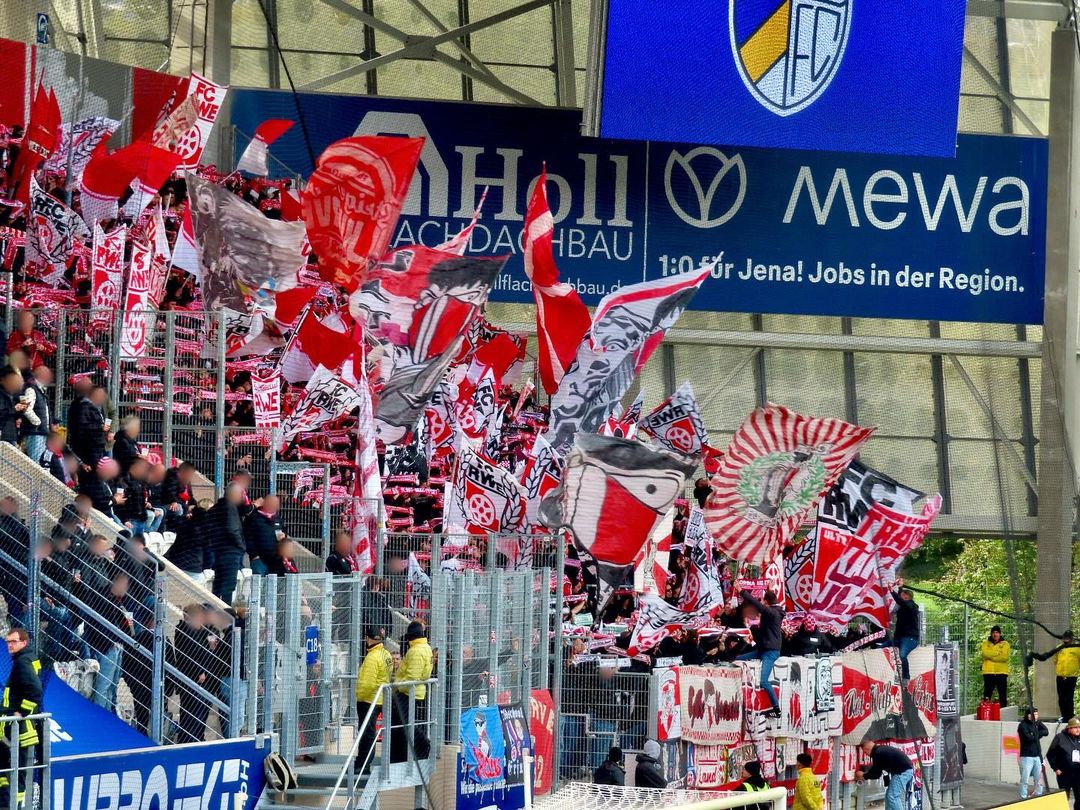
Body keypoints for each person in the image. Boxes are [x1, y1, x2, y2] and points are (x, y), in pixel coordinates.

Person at [0, 628, 42, 806]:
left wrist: (20, 713)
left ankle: (10, 805)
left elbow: (35, 690)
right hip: (20, 731)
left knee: (16, 776)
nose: (10, 645)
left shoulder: (22, 662)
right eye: (8, 642)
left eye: (14, 642)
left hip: (19, 732)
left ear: (24, 643)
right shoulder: (29, 658)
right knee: (9, 770)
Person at [736, 589, 783, 717]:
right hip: (763, 650)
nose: (761, 602)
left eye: (763, 600)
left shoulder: (772, 612)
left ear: (766, 602)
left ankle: (777, 709)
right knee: (738, 660)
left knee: (763, 681)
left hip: (770, 652)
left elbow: (756, 604)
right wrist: (769, 588)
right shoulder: (774, 612)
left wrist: (741, 591)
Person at [391, 621, 433, 762]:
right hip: (414, 692)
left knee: (405, 724)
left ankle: (423, 745)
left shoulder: (416, 651)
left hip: (408, 693)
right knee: (402, 724)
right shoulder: (425, 648)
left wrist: (397, 685)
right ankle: (399, 756)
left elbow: (412, 678)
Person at [354, 627, 393, 774]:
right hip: (379, 698)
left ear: (367, 638)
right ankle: (362, 763)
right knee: (369, 732)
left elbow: (367, 684)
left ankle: (362, 765)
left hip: (369, 699)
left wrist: (359, 695)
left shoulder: (372, 657)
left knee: (366, 733)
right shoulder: (386, 654)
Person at [207, 483, 246, 604]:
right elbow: (232, 529)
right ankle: (225, 611)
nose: (241, 497)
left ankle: (214, 609)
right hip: (230, 551)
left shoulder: (216, 507)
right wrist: (241, 546)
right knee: (228, 586)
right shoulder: (230, 507)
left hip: (218, 551)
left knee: (218, 585)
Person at [1028, 631, 1080, 721]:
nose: (1066, 639)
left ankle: (1070, 716)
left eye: (1068, 637)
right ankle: (1064, 716)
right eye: (1065, 637)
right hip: (1060, 676)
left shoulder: (1077, 648)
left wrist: (1073, 669)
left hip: (1072, 676)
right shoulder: (1059, 648)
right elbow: (1055, 660)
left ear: (1072, 638)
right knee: (1061, 697)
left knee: (1069, 697)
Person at [855, 739, 915, 810]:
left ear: (866, 749)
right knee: (889, 796)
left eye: (865, 752)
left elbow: (876, 774)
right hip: (902, 770)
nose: (866, 754)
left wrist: (863, 775)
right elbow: (876, 770)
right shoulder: (880, 750)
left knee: (892, 796)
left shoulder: (877, 753)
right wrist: (865, 775)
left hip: (903, 771)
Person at [244, 494, 283, 576]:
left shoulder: (278, 518)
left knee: (273, 582)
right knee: (258, 581)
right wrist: (254, 554)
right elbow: (247, 537)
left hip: (275, 560)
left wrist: (283, 537)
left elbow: (284, 532)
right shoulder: (253, 517)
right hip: (258, 560)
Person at [20, 365, 51, 463]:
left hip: (39, 432)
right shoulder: (31, 389)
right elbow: (26, 409)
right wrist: (38, 422)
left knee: (38, 461)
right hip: (35, 433)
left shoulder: (39, 390)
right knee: (35, 462)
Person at [891, 578, 920, 679]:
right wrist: (900, 588)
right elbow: (901, 599)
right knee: (882, 647)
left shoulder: (911, 606)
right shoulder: (903, 606)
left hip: (910, 638)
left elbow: (901, 601)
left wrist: (892, 591)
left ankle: (906, 677)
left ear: (907, 597)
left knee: (902, 655)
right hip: (899, 637)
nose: (900, 597)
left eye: (903, 596)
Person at [1048, 717, 1080, 807]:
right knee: (1064, 797)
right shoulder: (1060, 737)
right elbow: (1050, 754)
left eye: (1079, 727)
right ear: (1069, 728)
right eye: (1075, 727)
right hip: (1064, 774)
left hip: (1078, 773)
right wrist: (1055, 768)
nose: (1078, 730)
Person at [1018, 706, 1049, 799]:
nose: (1036, 716)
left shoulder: (1037, 723)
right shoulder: (1023, 725)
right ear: (1028, 715)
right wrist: (1037, 735)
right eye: (1033, 714)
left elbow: (1046, 731)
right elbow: (1028, 738)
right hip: (1027, 756)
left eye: (1036, 714)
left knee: (1038, 778)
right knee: (1025, 778)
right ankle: (1023, 796)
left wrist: (1034, 734)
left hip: (1037, 755)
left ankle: (1038, 795)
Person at [981, 625, 1011, 707]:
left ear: (1000, 634)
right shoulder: (985, 643)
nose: (995, 634)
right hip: (988, 672)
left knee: (1002, 694)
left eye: (997, 632)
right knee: (987, 694)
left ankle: (1003, 711)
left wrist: (991, 657)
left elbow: (1004, 657)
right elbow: (984, 654)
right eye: (993, 632)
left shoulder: (1005, 644)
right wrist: (997, 653)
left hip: (1001, 672)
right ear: (991, 634)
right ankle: (986, 711)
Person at [0, 367, 26, 445]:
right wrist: (15, 409)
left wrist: (20, 411)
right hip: (3, 435)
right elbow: (2, 413)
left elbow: (13, 414)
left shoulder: (12, 395)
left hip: (11, 434)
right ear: (3, 380)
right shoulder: (1, 395)